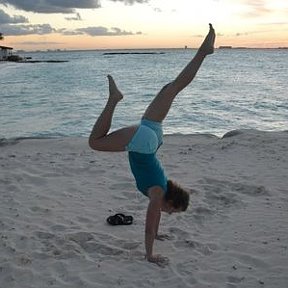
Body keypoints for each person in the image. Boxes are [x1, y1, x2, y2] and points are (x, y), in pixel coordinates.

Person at [89, 24, 216, 266]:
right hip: (144, 142)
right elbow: (148, 226)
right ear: (171, 201)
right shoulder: (157, 194)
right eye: (173, 211)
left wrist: (158, 233)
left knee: (174, 87)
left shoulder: (161, 189)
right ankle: (114, 100)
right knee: (95, 143)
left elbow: (154, 221)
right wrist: (150, 255)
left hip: (154, 137)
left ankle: (204, 52)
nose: (169, 213)